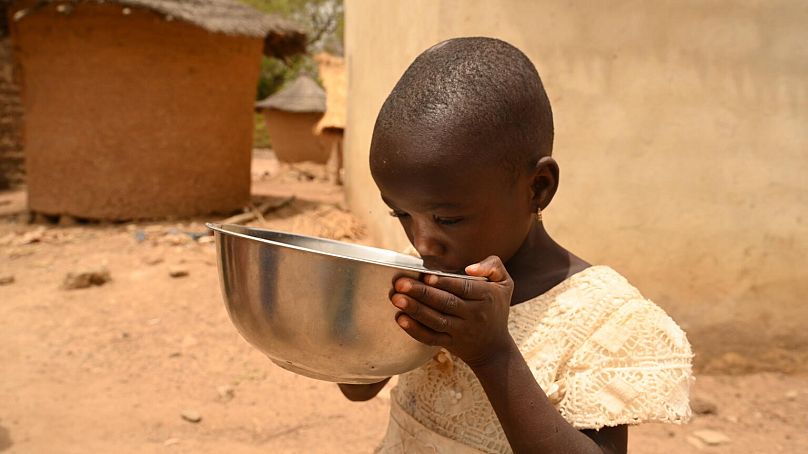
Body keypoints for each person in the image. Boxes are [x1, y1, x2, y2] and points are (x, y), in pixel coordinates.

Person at [338, 37, 692, 454]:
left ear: (537, 189)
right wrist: (371, 321)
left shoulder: (606, 320)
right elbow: (356, 390)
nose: (422, 241)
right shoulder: (429, 276)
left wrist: (492, 354)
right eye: (401, 215)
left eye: (448, 219)